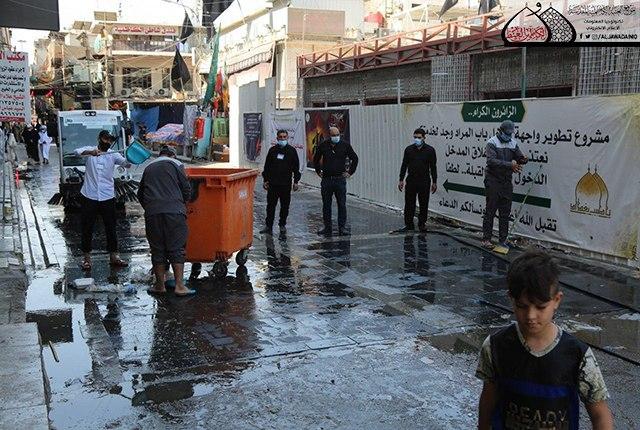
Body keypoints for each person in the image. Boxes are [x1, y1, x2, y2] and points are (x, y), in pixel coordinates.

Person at [476, 250, 613, 430]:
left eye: (541, 307)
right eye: (522, 306)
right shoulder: (495, 347)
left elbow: (600, 414)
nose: (531, 316)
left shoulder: (578, 355)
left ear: (557, 300)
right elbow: (488, 401)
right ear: (511, 299)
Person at [137, 145, 195, 297]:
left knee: (157, 249)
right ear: (172, 155)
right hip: (174, 212)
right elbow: (186, 188)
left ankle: (159, 285)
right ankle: (180, 286)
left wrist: (151, 208)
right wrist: (180, 205)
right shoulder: (176, 164)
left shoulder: (149, 167)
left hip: (153, 213)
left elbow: (140, 194)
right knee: (177, 248)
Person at [75, 130, 131, 270]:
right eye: (106, 139)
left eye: (110, 140)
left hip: (107, 196)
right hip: (89, 195)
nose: (108, 142)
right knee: (87, 227)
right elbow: (77, 152)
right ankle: (87, 258)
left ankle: (114, 256)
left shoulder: (113, 154)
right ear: (100, 138)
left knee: (111, 227)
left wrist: (132, 157)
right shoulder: (90, 150)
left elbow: (126, 164)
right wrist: (91, 152)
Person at [482, 120, 527, 250]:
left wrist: (523, 159)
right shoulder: (492, 142)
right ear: (500, 131)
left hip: (506, 181)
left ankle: (503, 240)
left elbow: (518, 157)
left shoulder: (513, 143)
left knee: (505, 213)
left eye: (510, 134)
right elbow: (491, 161)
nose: (508, 136)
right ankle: (486, 239)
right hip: (493, 180)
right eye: (507, 133)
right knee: (490, 211)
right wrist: (510, 165)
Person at [313, 126, 359, 237]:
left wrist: (350, 172)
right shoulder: (323, 145)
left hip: (339, 180)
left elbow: (355, 158)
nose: (336, 137)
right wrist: (318, 171)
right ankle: (327, 227)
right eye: (333, 135)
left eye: (337, 135)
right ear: (329, 135)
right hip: (327, 180)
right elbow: (316, 159)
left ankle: (342, 227)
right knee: (326, 204)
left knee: (341, 204)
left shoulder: (345, 145)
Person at [259, 129, 301, 236]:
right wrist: (265, 180)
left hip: (285, 184)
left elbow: (296, 167)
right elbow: (267, 167)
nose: (282, 139)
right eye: (280, 137)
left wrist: (296, 181)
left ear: (287, 138)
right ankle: (268, 226)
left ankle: (282, 225)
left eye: (284, 137)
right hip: (273, 184)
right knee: (270, 206)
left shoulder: (292, 151)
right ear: (277, 138)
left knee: (285, 206)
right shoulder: (272, 150)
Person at [396, 128, 438, 233]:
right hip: (411, 180)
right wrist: (401, 179)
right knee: (409, 203)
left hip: (424, 180)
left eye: (419, 137)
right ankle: (409, 224)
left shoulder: (430, 150)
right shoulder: (409, 150)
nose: (417, 139)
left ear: (424, 138)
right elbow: (404, 165)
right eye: (415, 137)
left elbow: (433, 167)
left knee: (423, 203)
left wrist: (434, 181)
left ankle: (422, 224)